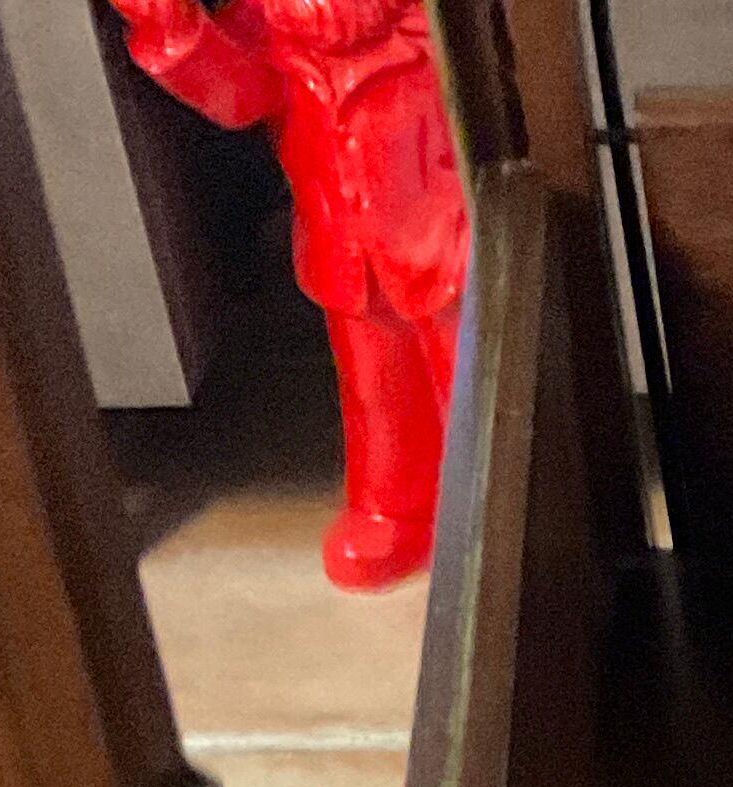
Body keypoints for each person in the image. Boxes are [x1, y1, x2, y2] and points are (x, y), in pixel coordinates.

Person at [107, 0, 469, 590]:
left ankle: (481, 510)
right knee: (376, 385)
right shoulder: (273, 21)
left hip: (443, 229)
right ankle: (395, 509)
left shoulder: (431, 28)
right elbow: (240, 96)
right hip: (345, 235)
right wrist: (170, 25)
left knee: (467, 380)